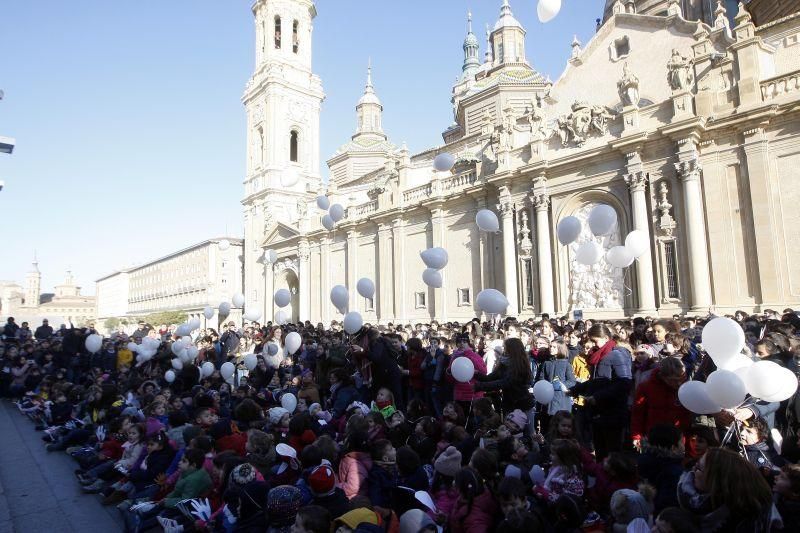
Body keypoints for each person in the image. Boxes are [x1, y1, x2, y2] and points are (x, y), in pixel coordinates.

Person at [677, 447, 781, 531]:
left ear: (717, 481)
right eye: (695, 465)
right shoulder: (685, 497)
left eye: (699, 468)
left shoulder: (748, 521)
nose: (693, 470)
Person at [570, 324, 632, 459]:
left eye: (595, 341)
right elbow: (596, 381)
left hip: (612, 411)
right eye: (591, 341)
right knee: (600, 451)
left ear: (606, 338)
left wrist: (597, 397)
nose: (592, 344)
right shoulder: (597, 355)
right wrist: (576, 389)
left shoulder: (616, 354)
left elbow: (624, 382)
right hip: (597, 410)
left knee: (612, 452)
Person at [630, 357, 692, 450]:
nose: (679, 383)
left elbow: (688, 416)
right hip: (653, 439)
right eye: (674, 380)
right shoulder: (646, 387)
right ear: (663, 377)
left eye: (682, 378)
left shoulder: (686, 388)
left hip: (677, 441)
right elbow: (638, 414)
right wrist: (637, 436)